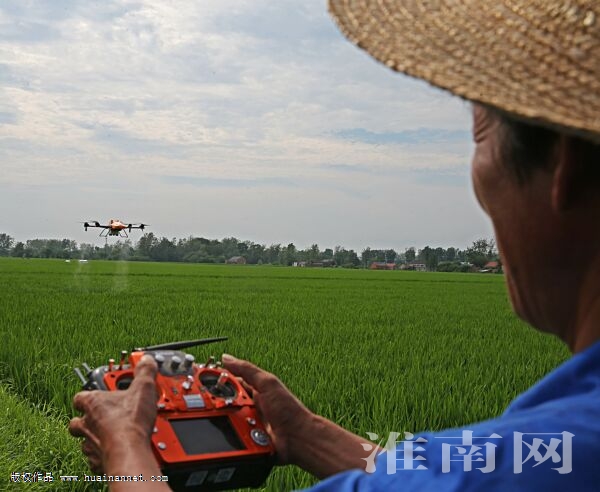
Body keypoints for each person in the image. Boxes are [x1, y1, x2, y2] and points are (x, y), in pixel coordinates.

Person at [69, 1, 600, 490]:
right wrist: (305, 434)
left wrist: (126, 449)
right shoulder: (562, 442)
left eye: (479, 136)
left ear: (564, 166)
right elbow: (428, 477)